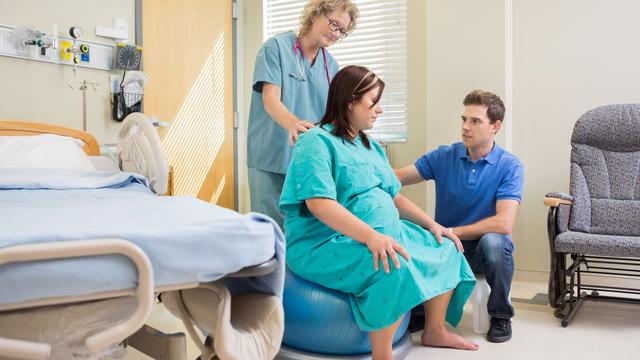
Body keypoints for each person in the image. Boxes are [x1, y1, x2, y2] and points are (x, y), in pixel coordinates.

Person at [279, 65, 479, 359]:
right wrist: (372, 236)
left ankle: (435, 330)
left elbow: (395, 197)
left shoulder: (369, 145)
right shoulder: (315, 142)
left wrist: (434, 225)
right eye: (373, 103)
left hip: (383, 232)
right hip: (325, 242)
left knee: (446, 247)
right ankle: (382, 354)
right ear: (349, 102)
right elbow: (319, 204)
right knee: (391, 265)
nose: (380, 110)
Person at [395, 90, 524, 343]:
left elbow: (504, 222)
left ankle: (500, 315)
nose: (465, 127)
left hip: (479, 252)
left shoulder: (510, 165)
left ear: (495, 127)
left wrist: (452, 231)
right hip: (445, 249)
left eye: (475, 121)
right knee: (409, 233)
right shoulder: (444, 156)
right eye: (463, 119)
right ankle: (421, 310)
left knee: (495, 242)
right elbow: (398, 176)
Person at [247, 0, 359, 228]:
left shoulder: (331, 65)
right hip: (272, 155)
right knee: (271, 230)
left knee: (304, 232)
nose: (337, 34)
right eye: (334, 24)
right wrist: (294, 124)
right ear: (316, 13)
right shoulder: (275, 48)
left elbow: (332, 114)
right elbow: (270, 99)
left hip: (308, 159)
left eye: (342, 31)